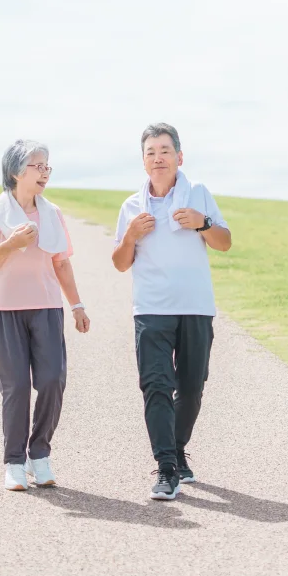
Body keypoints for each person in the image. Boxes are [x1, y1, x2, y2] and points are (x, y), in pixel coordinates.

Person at [112, 123, 232, 500]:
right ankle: (166, 469)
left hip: (195, 308)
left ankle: (177, 449)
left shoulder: (198, 194)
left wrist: (203, 223)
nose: (158, 157)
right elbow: (119, 263)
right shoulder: (132, 206)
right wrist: (130, 236)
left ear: (179, 157)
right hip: (151, 309)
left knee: (192, 389)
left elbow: (225, 243)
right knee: (156, 386)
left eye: (165, 150)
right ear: (143, 161)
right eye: (151, 151)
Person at [0, 139, 91, 491]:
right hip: (4, 309)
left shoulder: (52, 214)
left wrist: (77, 305)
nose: (45, 173)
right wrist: (10, 244)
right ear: (15, 171)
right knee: (17, 387)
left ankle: (40, 454)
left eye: (47, 166)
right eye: (38, 166)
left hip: (48, 307)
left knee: (53, 380)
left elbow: (62, 263)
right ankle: (14, 462)